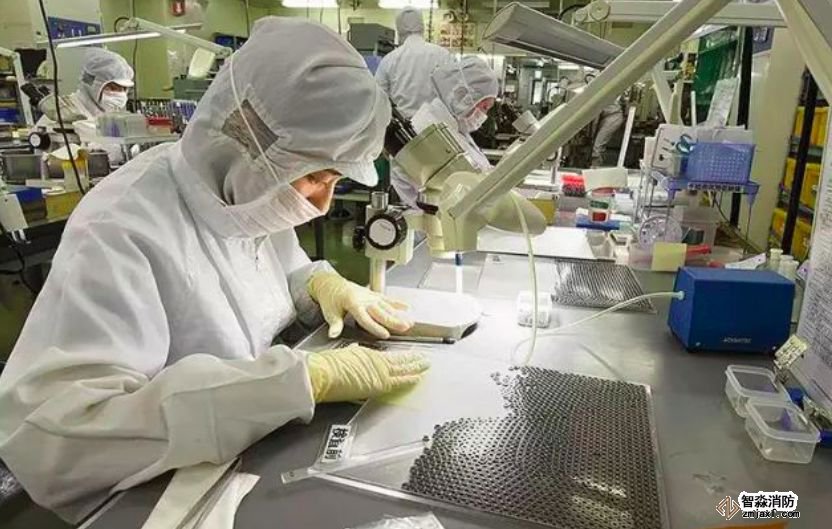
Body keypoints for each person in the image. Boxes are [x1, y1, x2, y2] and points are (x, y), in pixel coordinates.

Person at [0, 18, 428, 523]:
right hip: (153, 497)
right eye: (317, 176)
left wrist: (319, 282)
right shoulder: (120, 229)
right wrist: (298, 382)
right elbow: (61, 441)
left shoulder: (243, 188)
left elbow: (275, 271)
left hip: (245, 454)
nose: (323, 204)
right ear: (248, 140)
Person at [392, 56, 499, 207]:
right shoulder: (428, 130)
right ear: (465, 96)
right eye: (485, 107)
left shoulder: (455, 124)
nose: (484, 115)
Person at [38, 48, 135, 164]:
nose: (120, 95)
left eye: (124, 89)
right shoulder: (62, 113)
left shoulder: (109, 117)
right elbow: (46, 161)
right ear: (93, 84)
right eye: (113, 88)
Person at [375, 7, 454, 119]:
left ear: (399, 29)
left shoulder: (389, 60)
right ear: (422, 26)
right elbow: (454, 93)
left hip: (403, 126)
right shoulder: (443, 55)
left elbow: (378, 97)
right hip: (438, 125)